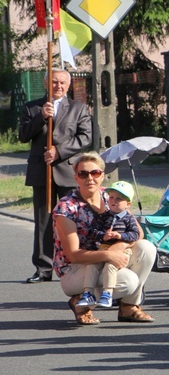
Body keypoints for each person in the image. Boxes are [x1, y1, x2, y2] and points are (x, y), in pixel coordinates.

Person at [52, 152, 156, 325]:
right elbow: (74, 255)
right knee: (128, 281)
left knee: (146, 248)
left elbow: (138, 233)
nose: (90, 178)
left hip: (106, 258)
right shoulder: (66, 208)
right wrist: (108, 255)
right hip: (75, 268)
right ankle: (80, 302)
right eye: (83, 174)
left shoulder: (111, 196)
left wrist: (120, 246)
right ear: (76, 178)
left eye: (95, 173)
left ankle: (129, 307)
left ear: (102, 175)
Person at [19, 68, 92, 283]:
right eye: (53, 82)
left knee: (74, 219)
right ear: (45, 83)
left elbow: (85, 137)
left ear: (68, 86)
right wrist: (41, 116)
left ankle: (77, 263)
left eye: (62, 83)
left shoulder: (78, 108)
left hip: (68, 172)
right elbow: (23, 135)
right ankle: (43, 268)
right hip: (41, 172)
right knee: (43, 220)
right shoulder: (32, 107)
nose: (58, 86)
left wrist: (59, 151)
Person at [75, 181, 140, 309]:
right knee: (92, 265)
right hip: (104, 247)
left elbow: (135, 234)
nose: (113, 201)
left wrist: (121, 236)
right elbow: (94, 232)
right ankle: (88, 293)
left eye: (119, 199)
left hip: (121, 250)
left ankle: (107, 293)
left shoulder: (128, 218)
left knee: (110, 266)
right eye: (111, 197)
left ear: (128, 204)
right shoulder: (104, 216)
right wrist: (103, 236)